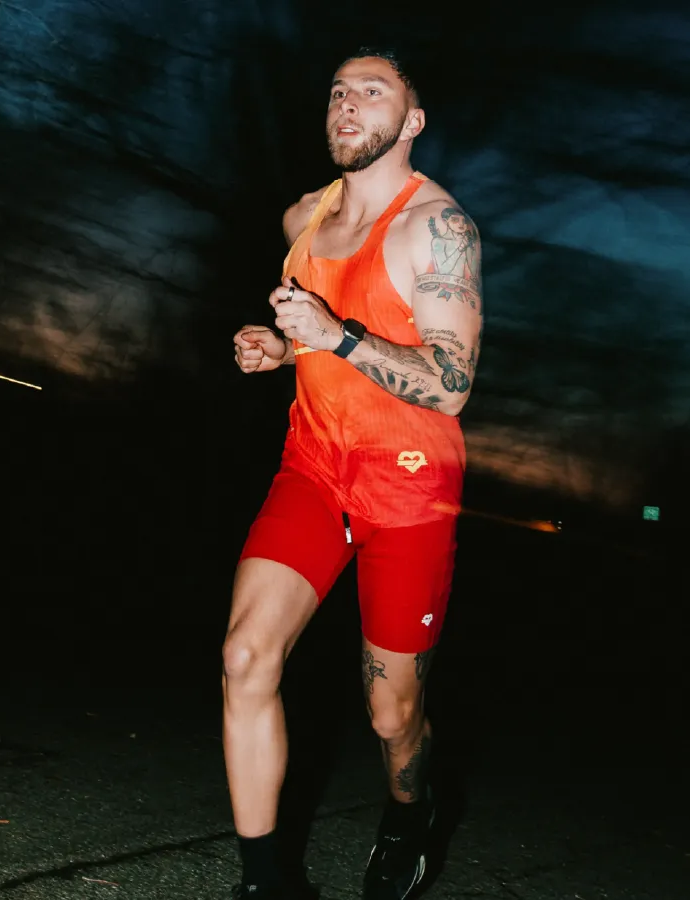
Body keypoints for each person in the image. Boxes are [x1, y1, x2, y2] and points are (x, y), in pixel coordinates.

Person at [224, 47, 483, 900]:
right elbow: (319, 331)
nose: (348, 103)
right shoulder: (306, 213)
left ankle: (411, 814)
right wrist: (282, 347)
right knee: (246, 657)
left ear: (410, 123)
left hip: (408, 488)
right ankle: (267, 883)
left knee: (392, 716)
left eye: (373, 92)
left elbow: (449, 384)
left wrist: (332, 337)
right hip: (313, 467)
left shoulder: (436, 230)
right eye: (339, 90)